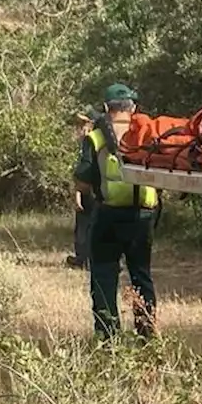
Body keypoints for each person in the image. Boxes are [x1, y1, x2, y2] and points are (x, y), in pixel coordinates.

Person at [75, 83, 158, 339]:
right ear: (132, 108)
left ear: (105, 108)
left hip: (108, 216)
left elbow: (83, 182)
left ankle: (107, 338)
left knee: (103, 275)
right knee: (141, 276)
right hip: (143, 216)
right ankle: (147, 335)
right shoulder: (149, 135)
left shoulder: (96, 138)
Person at [65, 109, 96, 270]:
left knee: (85, 226)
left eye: (83, 123)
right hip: (97, 191)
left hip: (89, 191)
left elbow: (83, 171)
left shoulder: (90, 141)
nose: (79, 127)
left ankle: (83, 259)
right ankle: (85, 258)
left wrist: (77, 193)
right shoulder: (101, 141)